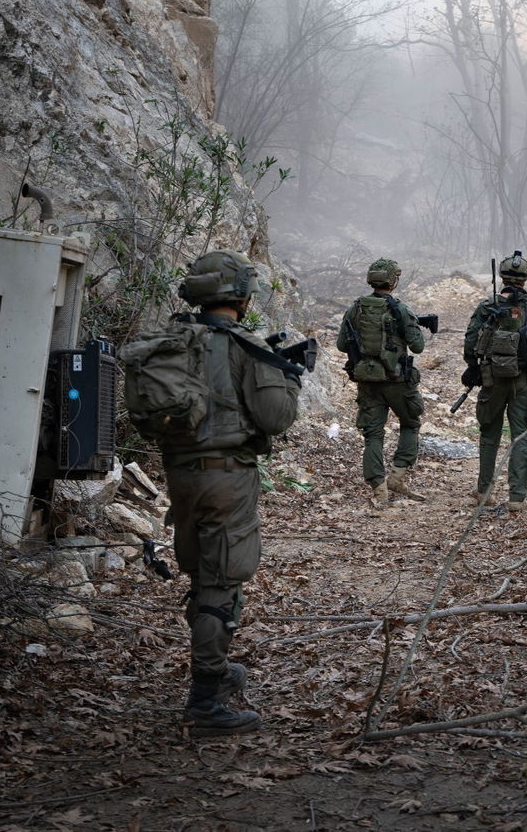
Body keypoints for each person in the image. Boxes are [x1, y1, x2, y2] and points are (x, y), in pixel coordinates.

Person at [163, 250, 301, 734]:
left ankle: (217, 671)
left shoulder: (175, 338)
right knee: (222, 582)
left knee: (203, 573)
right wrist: (287, 375)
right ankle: (205, 700)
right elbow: (275, 418)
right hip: (227, 476)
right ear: (241, 296)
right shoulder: (244, 346)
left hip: (179, 476)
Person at [463, 251, 527, 511]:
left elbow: (470, 343)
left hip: (491, 379)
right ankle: (517, 497)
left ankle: (484, 492)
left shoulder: (487, 306)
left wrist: (474, 367)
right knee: (521, 437)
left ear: (501, 276)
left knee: (489, 435)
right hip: (523, 382)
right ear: (526, 278)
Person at [335, 258, 427, 505]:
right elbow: (417, 346)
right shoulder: (400, 309)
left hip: (367, 380)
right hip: (398, 381)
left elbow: (342, 344)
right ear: (393, 281)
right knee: (410, 423)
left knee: (373, 435)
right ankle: (397, 476)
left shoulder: (356, 309)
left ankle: (379, 489)